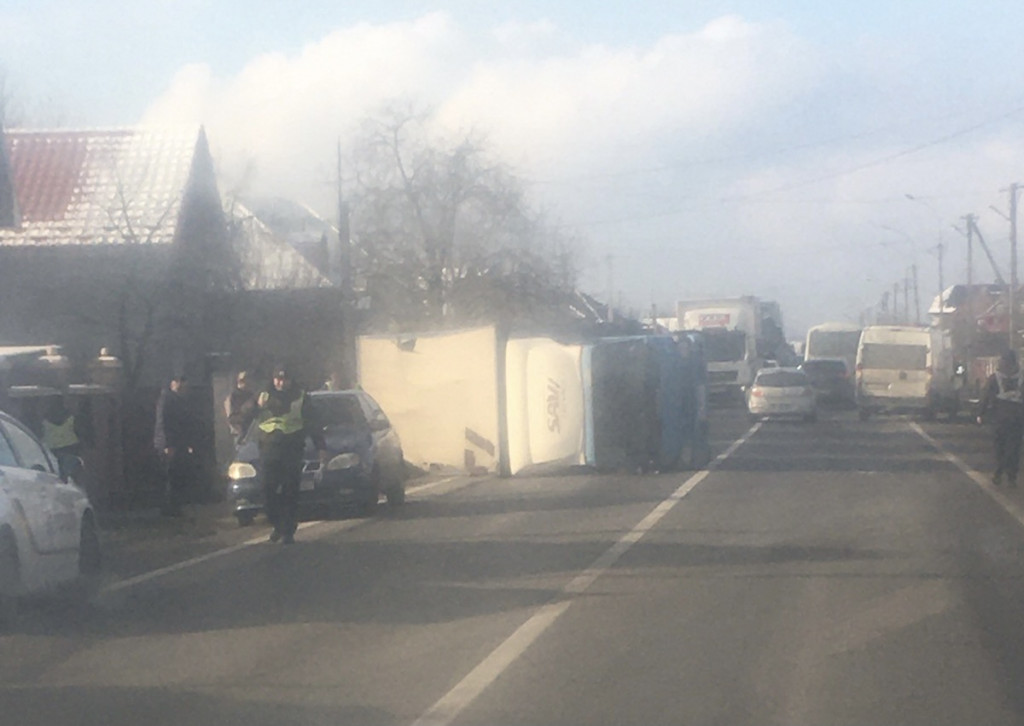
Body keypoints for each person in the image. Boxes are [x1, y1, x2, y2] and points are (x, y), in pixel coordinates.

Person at [256, 366, 327, 544]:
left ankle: (287, 530)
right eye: (278, 379)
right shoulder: (263, 396)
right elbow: (246, 416)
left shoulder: (301, 398)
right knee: (266, 490)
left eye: (284, 379)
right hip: (269, 450)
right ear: (273, 380)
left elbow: (313, 423)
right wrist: (253, 406)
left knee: (290, 491)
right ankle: (278, 524)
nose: (281, 383)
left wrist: (321, 447)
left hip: (291, 449)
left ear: (291, 380)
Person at [153, 375, 200, 516]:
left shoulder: (181, 400)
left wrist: (188, 444)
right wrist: (168, 445)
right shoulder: (166, 399)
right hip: (169, 445)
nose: (183, 388)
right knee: (170, 476)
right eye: (180, 385)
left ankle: (176, 506)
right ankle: (168, 508)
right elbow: (163, 423)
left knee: (178, 476)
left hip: (179, 444)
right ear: (173, 384)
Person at [977, 350, 1024, 487]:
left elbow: (985, 396)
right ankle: (1012, 476)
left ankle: (998, 472)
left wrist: (980, 413)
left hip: (1000, 417)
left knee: (1000, 446)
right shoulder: (1022, 377)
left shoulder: (995, 377)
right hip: (1018, 417)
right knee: (1014, 447)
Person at [41, 395, 91, 481]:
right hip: (71, 450)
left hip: (52, 452)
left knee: (56, 478)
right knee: (75, 479)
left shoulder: (44, 420)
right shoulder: (72, 418)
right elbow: (81, 433)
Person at [224, 370, 257, 444]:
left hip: (253, 433)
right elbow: (231, 419)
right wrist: (245, 410)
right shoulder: (233, 397)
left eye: (248, 380)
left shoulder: (251, 395)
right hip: (240, 435)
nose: (247, 382)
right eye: (243, 380)